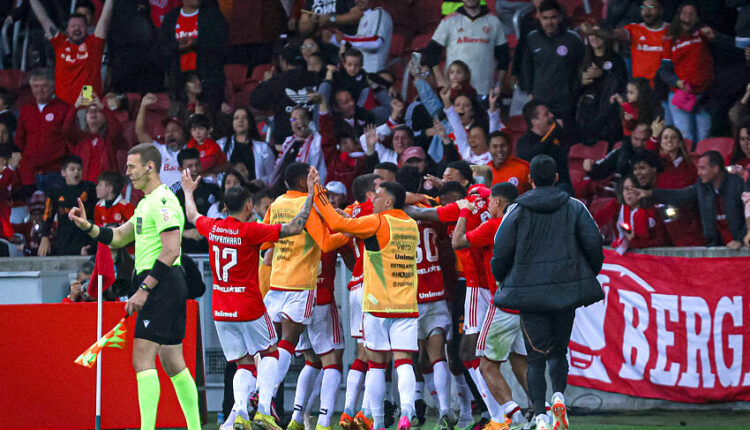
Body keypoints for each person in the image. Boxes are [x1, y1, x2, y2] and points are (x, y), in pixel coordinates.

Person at [68, 143, 201, 430]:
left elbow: (171, 249)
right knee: (172, 359)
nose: (126, 172)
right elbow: (117, 237)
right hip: (163, 282)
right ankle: (195, 427)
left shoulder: (162, 200)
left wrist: (144, 289)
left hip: (160, 282)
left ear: (149, 167)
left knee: (142, 356)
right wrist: (87, 226)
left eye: (131, 166)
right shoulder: (145, 202)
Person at [182, 165, 317, 430]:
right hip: (249, 306)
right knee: (270, 353)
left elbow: (191, 214)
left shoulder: (213, 227)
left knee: (242, 362)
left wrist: (188, 191)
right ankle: (264, 409)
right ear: (247, 206)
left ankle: (241, 411)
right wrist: (311, 194)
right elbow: (295, 227)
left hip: (221, 309)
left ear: (224, 206)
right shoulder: (251, 230)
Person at [491, 154, 604, 430]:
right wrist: (585, 274)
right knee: (558, 351)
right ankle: (558, 398)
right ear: (556, 177)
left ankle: (540, 415)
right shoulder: (575, 207)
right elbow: (594, 244)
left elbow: (500, 250)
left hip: (529, 294)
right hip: (566, 291)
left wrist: (503, 278)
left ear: (530, 180)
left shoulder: (515, 210)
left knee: (535, 355)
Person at [313, 179, 420, 430]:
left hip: (376, 304)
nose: (372, 200)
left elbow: (339, 225)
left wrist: (317, 192)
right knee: (403, 361)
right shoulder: (411, 225)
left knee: (376, 364)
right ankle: (406, 411)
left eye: (377, 196)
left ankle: (379, 424)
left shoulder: (377, 221)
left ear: (389, 201)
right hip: (406, 304)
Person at [262, 162, 348, 408]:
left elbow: (266, 244)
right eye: (313, 177)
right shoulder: (308, 205)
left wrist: (274, 255)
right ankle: (266, 396)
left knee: (274, 346)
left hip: (276, 283)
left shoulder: (276, 204)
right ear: (303, 182)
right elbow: (327, 243)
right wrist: (351, 231)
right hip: (300, 285)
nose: (317, 181)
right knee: (288, 343)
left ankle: (261, 397)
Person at [452, 182, 528, 429]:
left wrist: (463, 211)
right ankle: (543, 412)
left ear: (495, 201)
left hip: (498, 298)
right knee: (519, 359)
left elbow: (457, 242)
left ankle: (506, 417)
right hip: (525, 300)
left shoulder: (494, 224)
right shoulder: (525, 222)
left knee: (482, 362)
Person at [635, 151, 749, 248]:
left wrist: (740, 239)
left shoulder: (738, 185)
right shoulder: (701, 186)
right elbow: (681, 196)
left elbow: (748, 215)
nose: (698, 173)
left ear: (715, 169)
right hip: (715, 245)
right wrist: (651, 193)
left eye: (703, 168)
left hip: (741, 246)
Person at [27, 0, 114, 105]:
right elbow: (43, 19)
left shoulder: (94, 44)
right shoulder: (60, 43)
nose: (76, 28)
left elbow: (104, 20)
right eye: (73, 26)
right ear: (67, 29)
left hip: (86, 107)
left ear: (87, 29)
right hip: (62, 108)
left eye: (81, 26)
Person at [658, 3, 721, 143]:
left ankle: (703, 165)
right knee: (685, 137)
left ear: (697, 17)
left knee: (704, 136)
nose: (688, 17)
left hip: (704, 95)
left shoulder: (702, 34)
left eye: (692, 13)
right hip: (681, 93)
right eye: (684, 13)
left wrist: (714, 36)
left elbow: (722, 49)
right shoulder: (669, 40)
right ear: (678, 15)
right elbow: (664, 70)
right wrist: (677, 82)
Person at [519, 0, 584, 126]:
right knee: (542, 140)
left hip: (565, 102)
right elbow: (527, 67)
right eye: (545, 18)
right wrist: (530, 92)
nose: (549, 22)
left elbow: (581, 68)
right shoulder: (532, 38)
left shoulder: (573, 39)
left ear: (560, 17)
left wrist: (574, 91)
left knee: (565, 139)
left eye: (553, 17)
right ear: (540, 18)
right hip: (540, 101)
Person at [424, 0, 509, 96]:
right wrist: (440, 80)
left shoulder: (493, 21)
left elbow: (503, 55)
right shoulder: (449, 21)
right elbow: (431, 52)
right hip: (455, 91)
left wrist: (499, 83)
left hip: (485, 90)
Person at [158, 0, 228, 115]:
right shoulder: (171, 18)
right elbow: (161, 48)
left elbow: (221, 44)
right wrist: (178, 46)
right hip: (179, 82)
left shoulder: (213, 16)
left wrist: (197, 42)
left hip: (209, 81)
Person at [15, 68, 72, 192]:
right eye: (36, 86)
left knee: (55, 210)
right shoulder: (26, 109)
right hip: (30, 174)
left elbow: (71, 139)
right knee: (34, 210)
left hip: (56, 173)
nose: (40, 90)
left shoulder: (64, 108)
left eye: (44, 86)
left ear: (52, 87)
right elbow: (19, 140)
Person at [63, 92, 127, 182]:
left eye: (97, 110)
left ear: (105, 117)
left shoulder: (110, 138)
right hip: (85, 190)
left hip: (107, 190)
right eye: (89, 111)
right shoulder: (80, 138)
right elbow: (66, 130)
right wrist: (76, 106)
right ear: (85, 117)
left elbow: (117, 129)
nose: (93, 112)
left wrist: (103, 108)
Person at [39, 155, 96, 256]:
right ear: (63, 172)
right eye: (72, 169)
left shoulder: (90, 188)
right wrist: (44, 236)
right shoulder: (54, 191)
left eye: (79, 169)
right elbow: (47, 214)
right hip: (64, 242)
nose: (76, 172)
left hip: (85, 241)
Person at [515, 100, 573, 195]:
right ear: (534, 121)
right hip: (533, 192)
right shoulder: (524, 142)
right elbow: (531, 155)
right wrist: (553, 132)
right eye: (546, 114)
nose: (551, 116)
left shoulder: (559, 137)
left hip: (560, 189)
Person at [135, 93, 189, 189]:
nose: (170, 134)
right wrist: (143, 106)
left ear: (184, 133)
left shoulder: (192, 150)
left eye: (175, 130)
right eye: (167, 131)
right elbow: (140, 132)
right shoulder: (159, 150)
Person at [174, 148, 221, 253]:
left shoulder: (214, 189)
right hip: (185, 251)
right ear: (180, 169)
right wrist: (185, 232)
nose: (195, 169)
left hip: (211, 249)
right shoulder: (174, 194)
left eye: (197, 164)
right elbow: (165, 224)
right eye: (190, 166)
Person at [217, 107, 275, 186]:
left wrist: (261, 182)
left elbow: (272, 175)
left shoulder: (263, 148)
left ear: (250, 122)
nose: (240, 121)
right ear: (232, 122)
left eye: (244, 118)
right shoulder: (220, 145)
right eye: (236, 118)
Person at [611, 175, 669, 253]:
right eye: (626, 189)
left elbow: (661, 241)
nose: (628, 193)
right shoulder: (619, 211)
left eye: (632, 189)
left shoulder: (653, 211)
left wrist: (634, 242)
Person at [337, 0, 393, 73]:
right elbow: (359, 43)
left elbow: (376, 42)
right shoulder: (364, 17)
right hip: (360, 71)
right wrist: (345, 46)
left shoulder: (380, 14)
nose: (358, 1)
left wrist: (349, 40)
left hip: (373, 72)